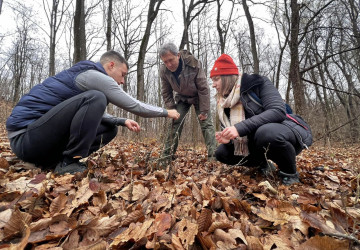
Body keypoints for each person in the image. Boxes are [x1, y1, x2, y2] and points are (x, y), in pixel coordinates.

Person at [6, 50, 180, 174]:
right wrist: (166, 112)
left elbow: (80, 114)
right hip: (25, 138)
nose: (123, 81)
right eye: (122, 74)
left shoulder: (86, 77)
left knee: (110, 128)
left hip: (39, 140)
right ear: (111, 65)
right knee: (97, 98)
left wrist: (120, 121)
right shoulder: (93, 75)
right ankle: (69, 162)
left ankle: (58, 161)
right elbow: (134, 105)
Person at [210, 54, 312, 185]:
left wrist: (239, 128)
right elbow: (240, 135)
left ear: (227, 78)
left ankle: (289, 173)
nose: (213, 85)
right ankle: (263, 164)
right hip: (255, 142)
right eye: (212, 80)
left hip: (283, 131)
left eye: (216, 79)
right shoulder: (223, 103)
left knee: (265, 133)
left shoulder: (258, 83)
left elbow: (277, 111)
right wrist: (229, 139)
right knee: (221, 153)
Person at [159, 42, 217, 161]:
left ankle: (214, 158)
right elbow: (166, 92)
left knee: (206, 124)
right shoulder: (164, 70)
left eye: (171, 60)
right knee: (175, 123)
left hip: (199, 97)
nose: (169, 64)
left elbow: (203, 88)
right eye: (165, 62)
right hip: (182, 98)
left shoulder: (193, 63)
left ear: (178, 55)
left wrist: (205, 110)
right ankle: (167, 156)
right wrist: (172, 109)